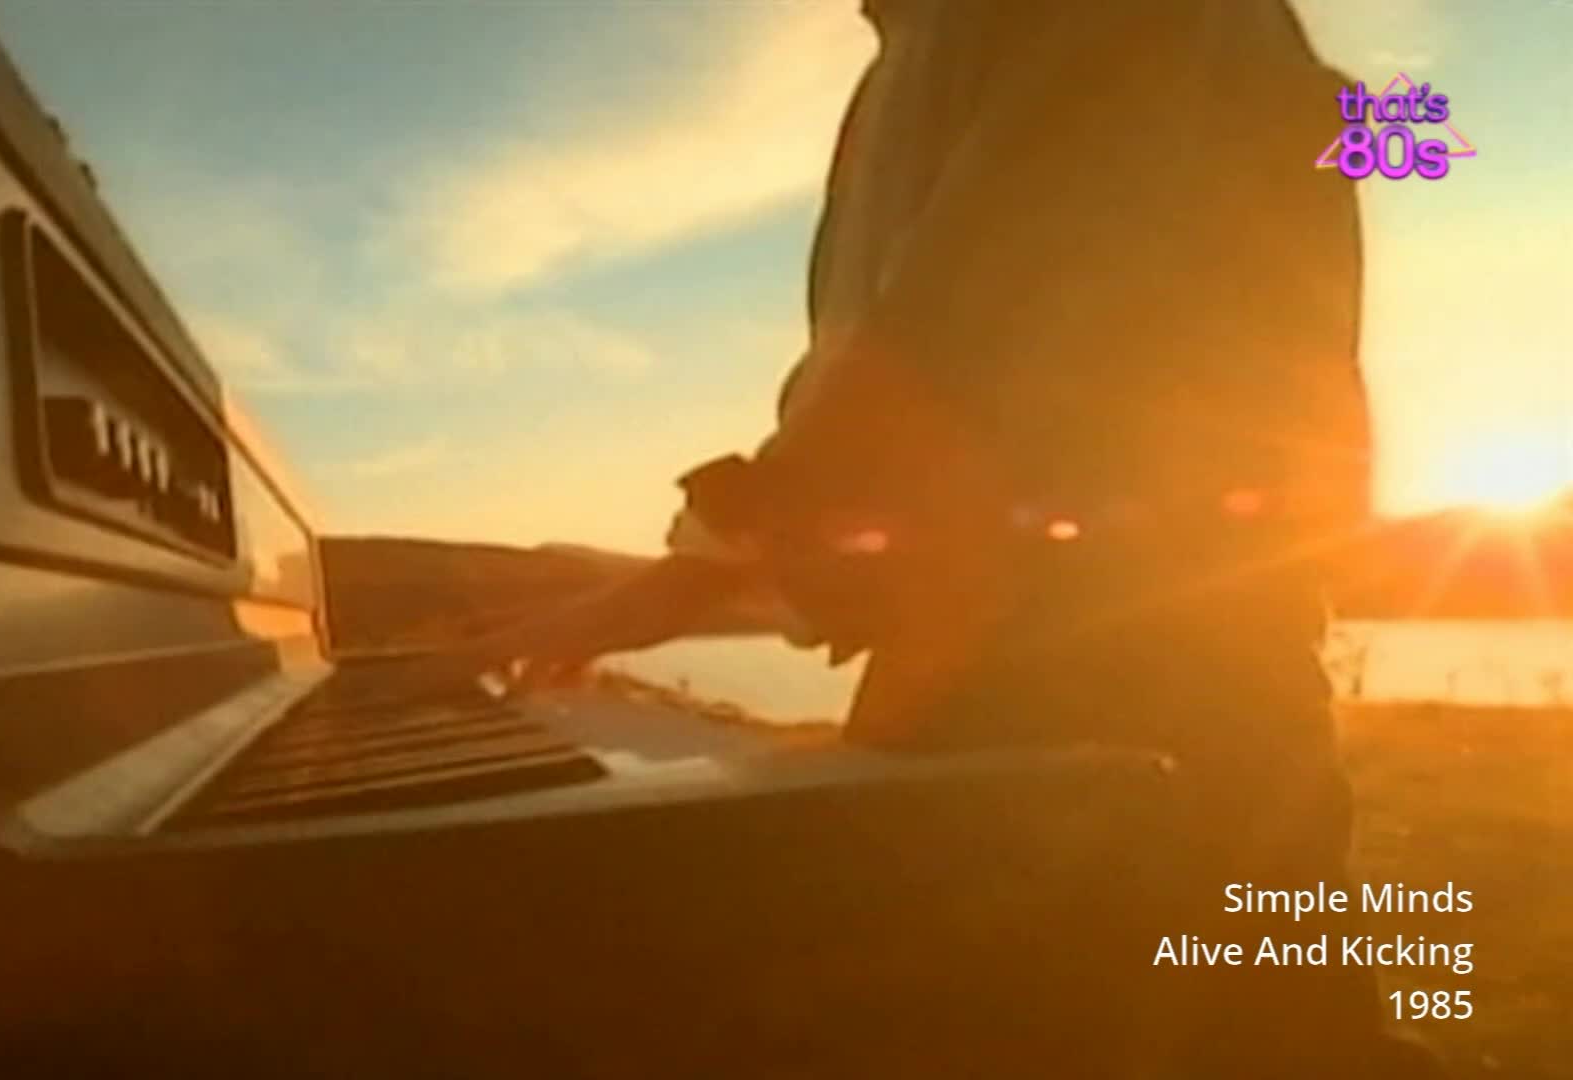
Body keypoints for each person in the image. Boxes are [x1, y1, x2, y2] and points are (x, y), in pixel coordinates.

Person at [406, 2, 1443, 1075]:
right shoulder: (918, 54)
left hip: (1148, 747)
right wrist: (692, 585)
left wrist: (705, 567)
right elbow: (973, 470)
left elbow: (955, 380)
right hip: (1044, 738)